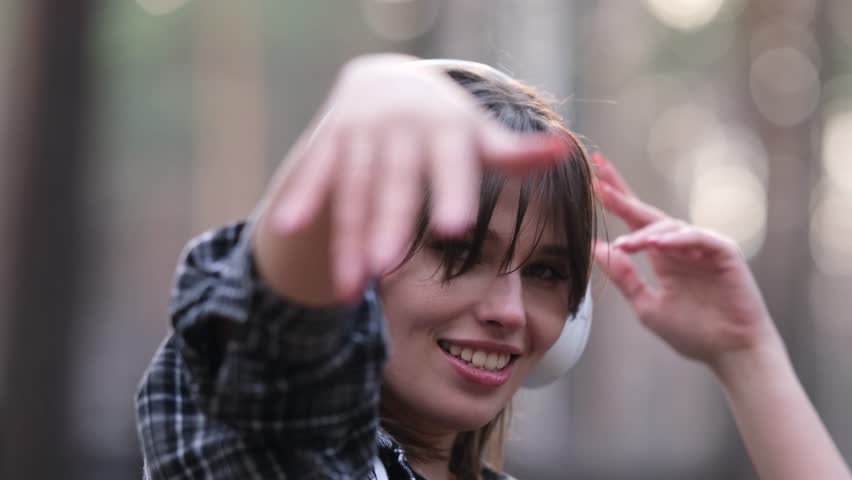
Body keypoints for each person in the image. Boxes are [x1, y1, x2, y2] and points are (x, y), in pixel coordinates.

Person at [135, 54, 851, 480]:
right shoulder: (277, 452)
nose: (508, 311)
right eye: (458, 251)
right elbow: (272, 362)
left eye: (544, 272)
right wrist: (356, 128)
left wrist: (745, 355)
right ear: (352, 272)